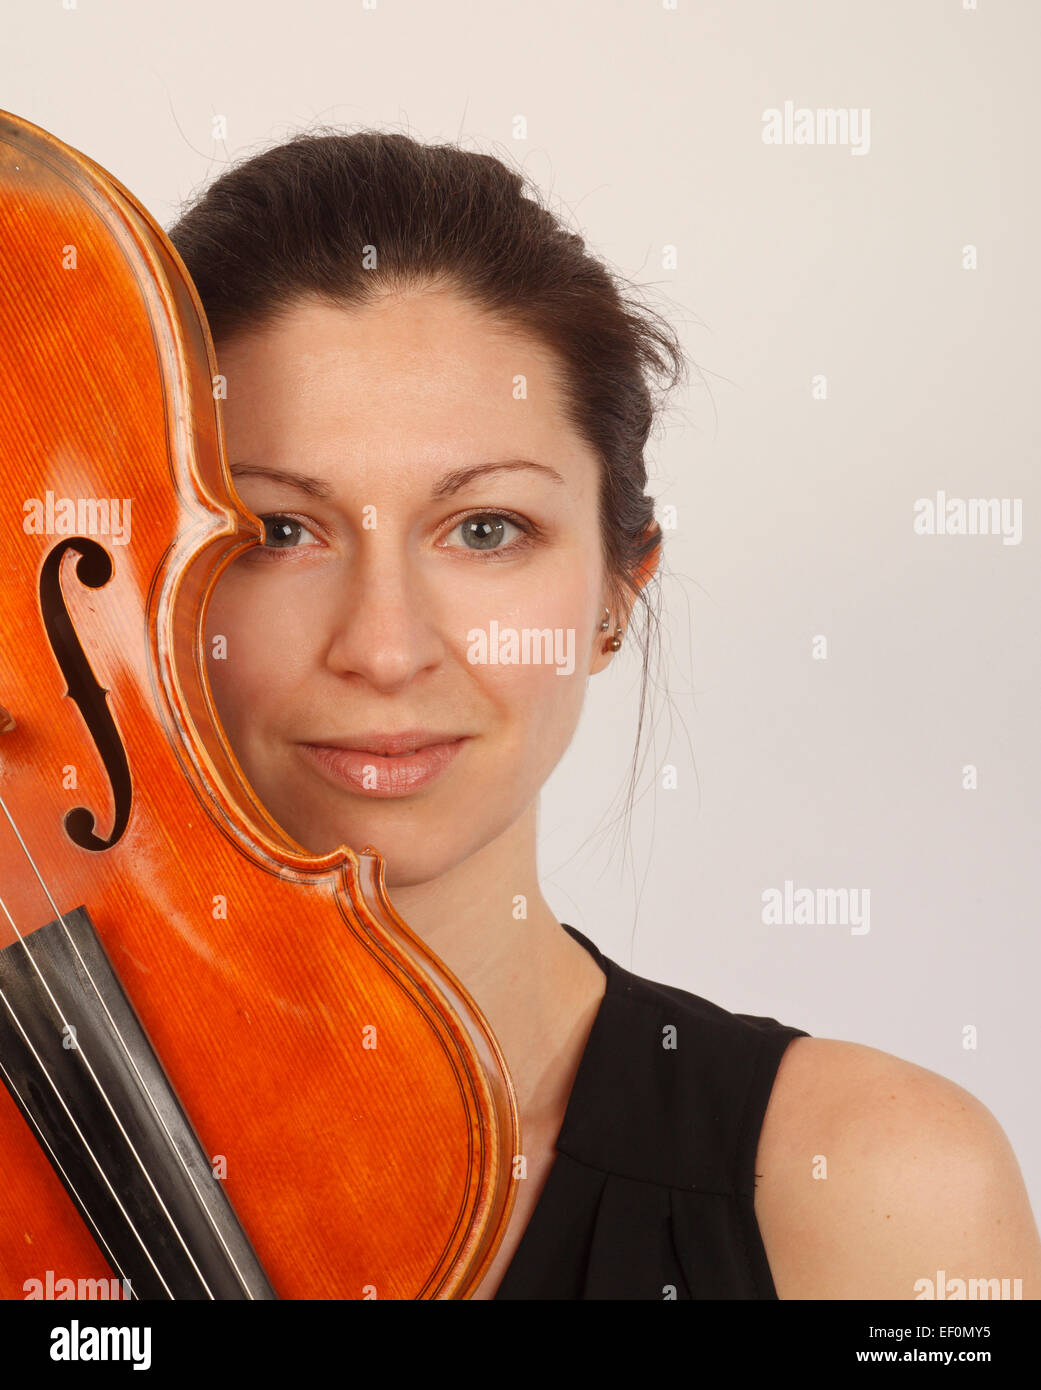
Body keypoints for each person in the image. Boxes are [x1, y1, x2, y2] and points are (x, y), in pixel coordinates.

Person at [165, 129, 1041, 1300]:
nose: (382, 646)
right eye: (279, 531)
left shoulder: (878, 1186)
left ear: (616, 594)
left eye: (485, 530)